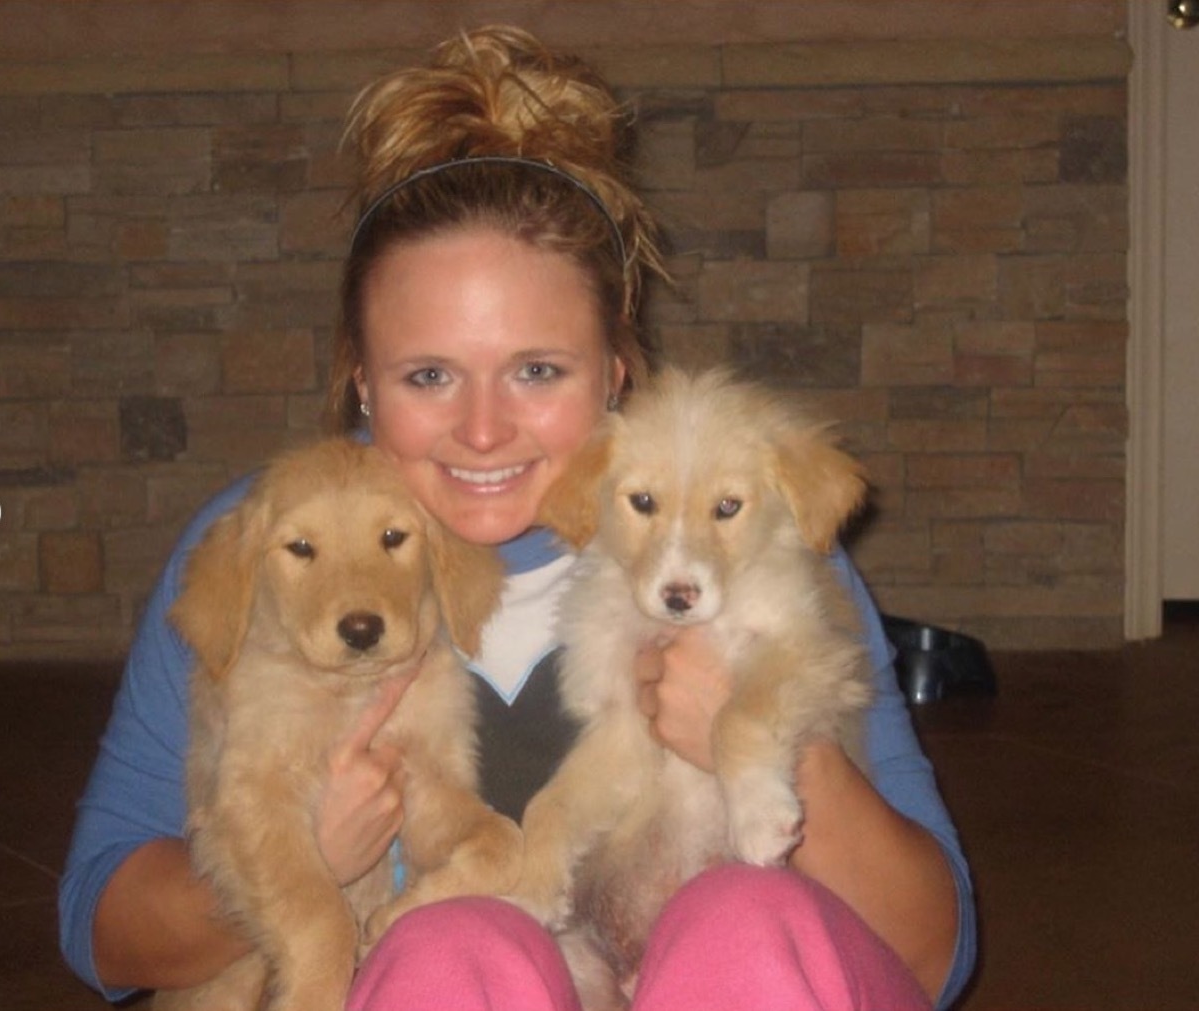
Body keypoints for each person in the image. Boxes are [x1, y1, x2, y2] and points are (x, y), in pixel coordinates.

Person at [59, 25, 976, 1011]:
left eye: (538, 370)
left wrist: (767, 741)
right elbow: (98, 929)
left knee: (743, 920)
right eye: (429, 375)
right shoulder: (273, 548)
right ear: (362, 382)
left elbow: (930, 953)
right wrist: (296, 863)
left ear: (617, 371)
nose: (485, 429)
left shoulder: (740, 541)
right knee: (450, 954)